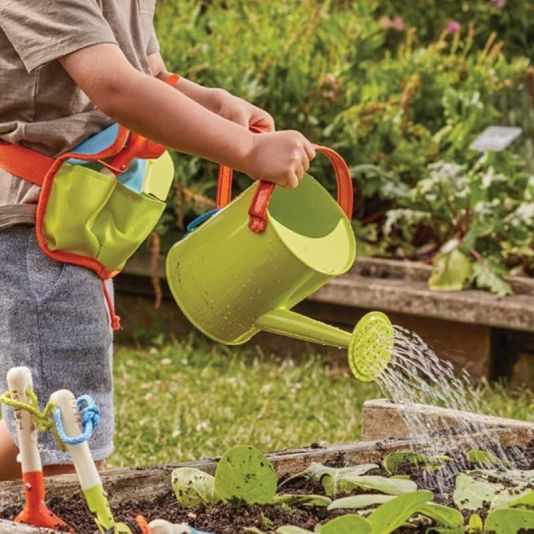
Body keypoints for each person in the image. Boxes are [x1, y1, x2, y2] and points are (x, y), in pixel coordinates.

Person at [0, 0, 315, 481]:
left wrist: (215, 103)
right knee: (69, 450)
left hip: (76, 219)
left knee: (33, 425)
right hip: (36, 226)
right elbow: (113, 85)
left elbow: (144, 71)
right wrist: (248, 150)